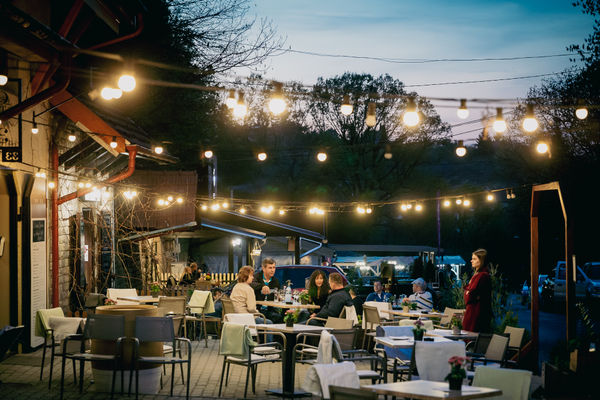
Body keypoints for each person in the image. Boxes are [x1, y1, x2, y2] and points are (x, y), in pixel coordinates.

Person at [462, 249, 492, 333]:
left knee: (470, 338)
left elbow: (469, 297)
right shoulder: (480, 275)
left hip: (474, 314)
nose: (471, 261)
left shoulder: (481, 276)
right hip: (475, 312)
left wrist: (468, 292)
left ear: (481, 260)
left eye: (474, 259)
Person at [250, 258, 282, 323]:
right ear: (264, 269)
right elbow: (252, 284)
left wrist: (279, 297)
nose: (272, 270)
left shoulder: (275, 281)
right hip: (257, 310)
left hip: (270, 310)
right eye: (270, 268)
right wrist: (262, 286)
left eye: (274, 267)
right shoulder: (256, 277)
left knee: (283, 318)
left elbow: (278, 293)